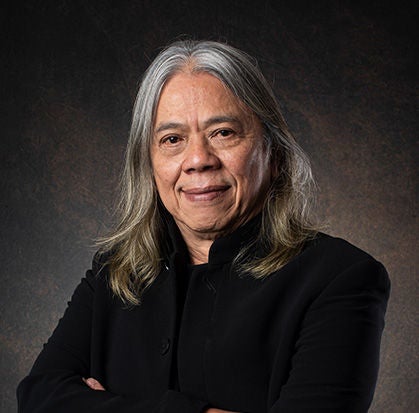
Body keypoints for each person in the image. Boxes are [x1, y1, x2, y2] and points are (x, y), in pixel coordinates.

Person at [17, 40, 390, 413]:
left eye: (223, 132)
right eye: (172, 140)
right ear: (148, 166)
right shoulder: (113, 273)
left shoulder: (341, 277)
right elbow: (37, 397)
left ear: (274, 153)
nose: (198, 159)